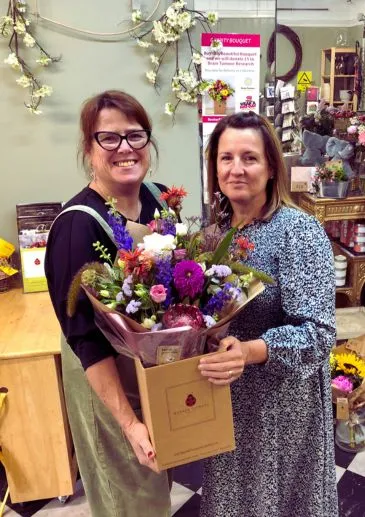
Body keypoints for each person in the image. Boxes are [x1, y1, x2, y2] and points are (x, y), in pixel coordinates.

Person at [198, 111, 338, 517]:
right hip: (227, 397)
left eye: (249, 158)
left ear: (272, 165)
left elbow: (318, 334)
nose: (236, 169)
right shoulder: (215, 231)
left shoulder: (297, 231)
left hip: (282, 407)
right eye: (226, 158)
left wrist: (249, 351)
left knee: (275, 502)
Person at [45, 90, 171, 517]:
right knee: (127, 494)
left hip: (145, 367)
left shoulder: (157, 198)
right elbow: (84, 338)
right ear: (88, 148)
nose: (125, 149)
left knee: (153, 482)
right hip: (105, 379)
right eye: (109, 138)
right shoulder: (77, 227)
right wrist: (130, 423)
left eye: (135, 135)